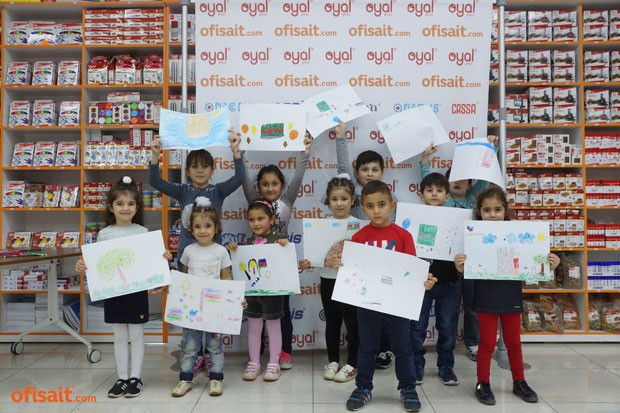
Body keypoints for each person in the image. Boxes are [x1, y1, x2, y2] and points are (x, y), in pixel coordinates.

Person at [454, 187, 560, 406]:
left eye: (497, 209)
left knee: (513, 342)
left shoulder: (519, 235)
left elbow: (533, 265)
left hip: (510, 294)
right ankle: (483, 383)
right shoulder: (474, 237)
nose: (492, 214)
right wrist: (460, 266)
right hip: (485, 296)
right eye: (487, 210)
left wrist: (550, 264)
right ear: (479, 212)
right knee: (486, 343)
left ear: (505, 211)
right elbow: (468, 269)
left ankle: (519, 381)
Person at [75, 176, 173, 398]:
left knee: (136, 334)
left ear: (137, 207)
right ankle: (121, 378)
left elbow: (151, 260)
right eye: (120, 203)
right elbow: (97, 263)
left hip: (136, 292)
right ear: (111, 207)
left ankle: (135, 378)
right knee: (119, 335)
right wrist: (83, 264)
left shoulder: (142, 232)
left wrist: (164, 256)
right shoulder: (104, 234)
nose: (125, 208)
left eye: (130, 203)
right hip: (114, 292)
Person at [345, 180, 437, 412]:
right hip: (368, 303)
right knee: (367, 347)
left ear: (392, 205)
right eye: (370, 206)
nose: (376, 211)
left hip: (398, 304)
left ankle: (408, 387)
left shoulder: (403, 235)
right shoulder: (358, 238)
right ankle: (363, 387)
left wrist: (424, 280)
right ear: (363, 208)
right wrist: (342, 267)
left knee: (402, 347)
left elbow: (413, 269)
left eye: (381, 205)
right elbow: (355, 272)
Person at [419, 135, 499, 362]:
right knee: (447, 312)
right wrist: (424, 160)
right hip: (448, 265)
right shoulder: (443, 201)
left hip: (472, 260)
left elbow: (484, 176)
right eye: (453, 177)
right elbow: (428, 183)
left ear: (470, 184)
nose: (458, 182)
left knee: (472, 304)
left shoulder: (475, 198)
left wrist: (492, 149)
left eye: (463, 179)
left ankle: (473, 342)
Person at [240, 133, 313, 370]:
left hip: (281, 265)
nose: (270, 188)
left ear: (282, 186)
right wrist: (239, 154)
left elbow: (298, 177)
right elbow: (243, 179)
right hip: (258, 266)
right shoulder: (255, 202)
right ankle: (257, 354)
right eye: (265, 184)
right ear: (258, 187)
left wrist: (305, 153)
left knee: (282, 312)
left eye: (274, 184)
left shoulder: (286, 202)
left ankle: (284, 353)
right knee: (257, 312)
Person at [171, 197, 246, 398]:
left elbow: (226, 277)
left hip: (215, 309)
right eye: (197, 227)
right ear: (191, 229)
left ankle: (216, 378)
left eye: (207, 226)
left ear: (216, 228)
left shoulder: (221, 251)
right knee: (190, 345)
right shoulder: (188, 251)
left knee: (215, 346)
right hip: (192, 309)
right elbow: (185, 278)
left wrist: (236, 299)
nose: (202, 231)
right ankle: (185, 379)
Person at [335, 121, 395, 369]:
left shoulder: (391, 199)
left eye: (374, 169)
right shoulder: (354, 195)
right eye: (364, 169)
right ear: (357, 172)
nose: (369, 173)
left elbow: (394, 230)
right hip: (358, 263)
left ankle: (384, 349)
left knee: (384, 308)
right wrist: (341, 137)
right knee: (360, 311)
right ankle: (361, 349)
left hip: (383, 261)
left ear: (382, 172)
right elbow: (342, 170)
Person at [299, 173, 360, 383]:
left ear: (352, 200)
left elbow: (364, 258)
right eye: (334, 199)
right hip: (328, 279)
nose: (339, 203)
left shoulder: (359, 225)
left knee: (353, 323)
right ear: (328, 201)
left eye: (344, 199)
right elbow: (314, 256)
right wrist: (307, 262)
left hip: (351, 282)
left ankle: (352, 363)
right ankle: (333, 361)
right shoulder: (320, 225)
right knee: (332, 322)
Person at [149, 131, 244, 262]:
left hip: (213, 256)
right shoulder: (182, 191)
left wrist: (236, 150)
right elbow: (155, 181)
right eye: (194, 167)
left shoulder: (218, 191)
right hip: (187, 256)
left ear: (212, 170)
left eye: (205, 166)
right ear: (187, 171)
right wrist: (155, 155)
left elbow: (239, 178)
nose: (200, 170)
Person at [226, 199, 290, 382]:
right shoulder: (246, 242)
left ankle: (274, 363)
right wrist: (234, 249)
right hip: (252, 293)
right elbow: (241, 264)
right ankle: (254, 362)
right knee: (254, 327)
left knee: (274, 326)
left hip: (273, 293)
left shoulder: (279, 240)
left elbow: (286, 260)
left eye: (261, 219)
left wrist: (285, 245)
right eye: (252, 220)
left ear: (271, 219)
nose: (256, 223)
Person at [410, 173, 462, 386]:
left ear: (447, 196)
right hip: (421, 282)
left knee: (447, 326)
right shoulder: (414, 219)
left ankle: (446, 366)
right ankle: (416, 365)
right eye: (429, 190)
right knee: (417, 327)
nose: (434, 194)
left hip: (449, 281)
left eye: (439, 190)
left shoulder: (457, 219)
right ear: (421, 195)